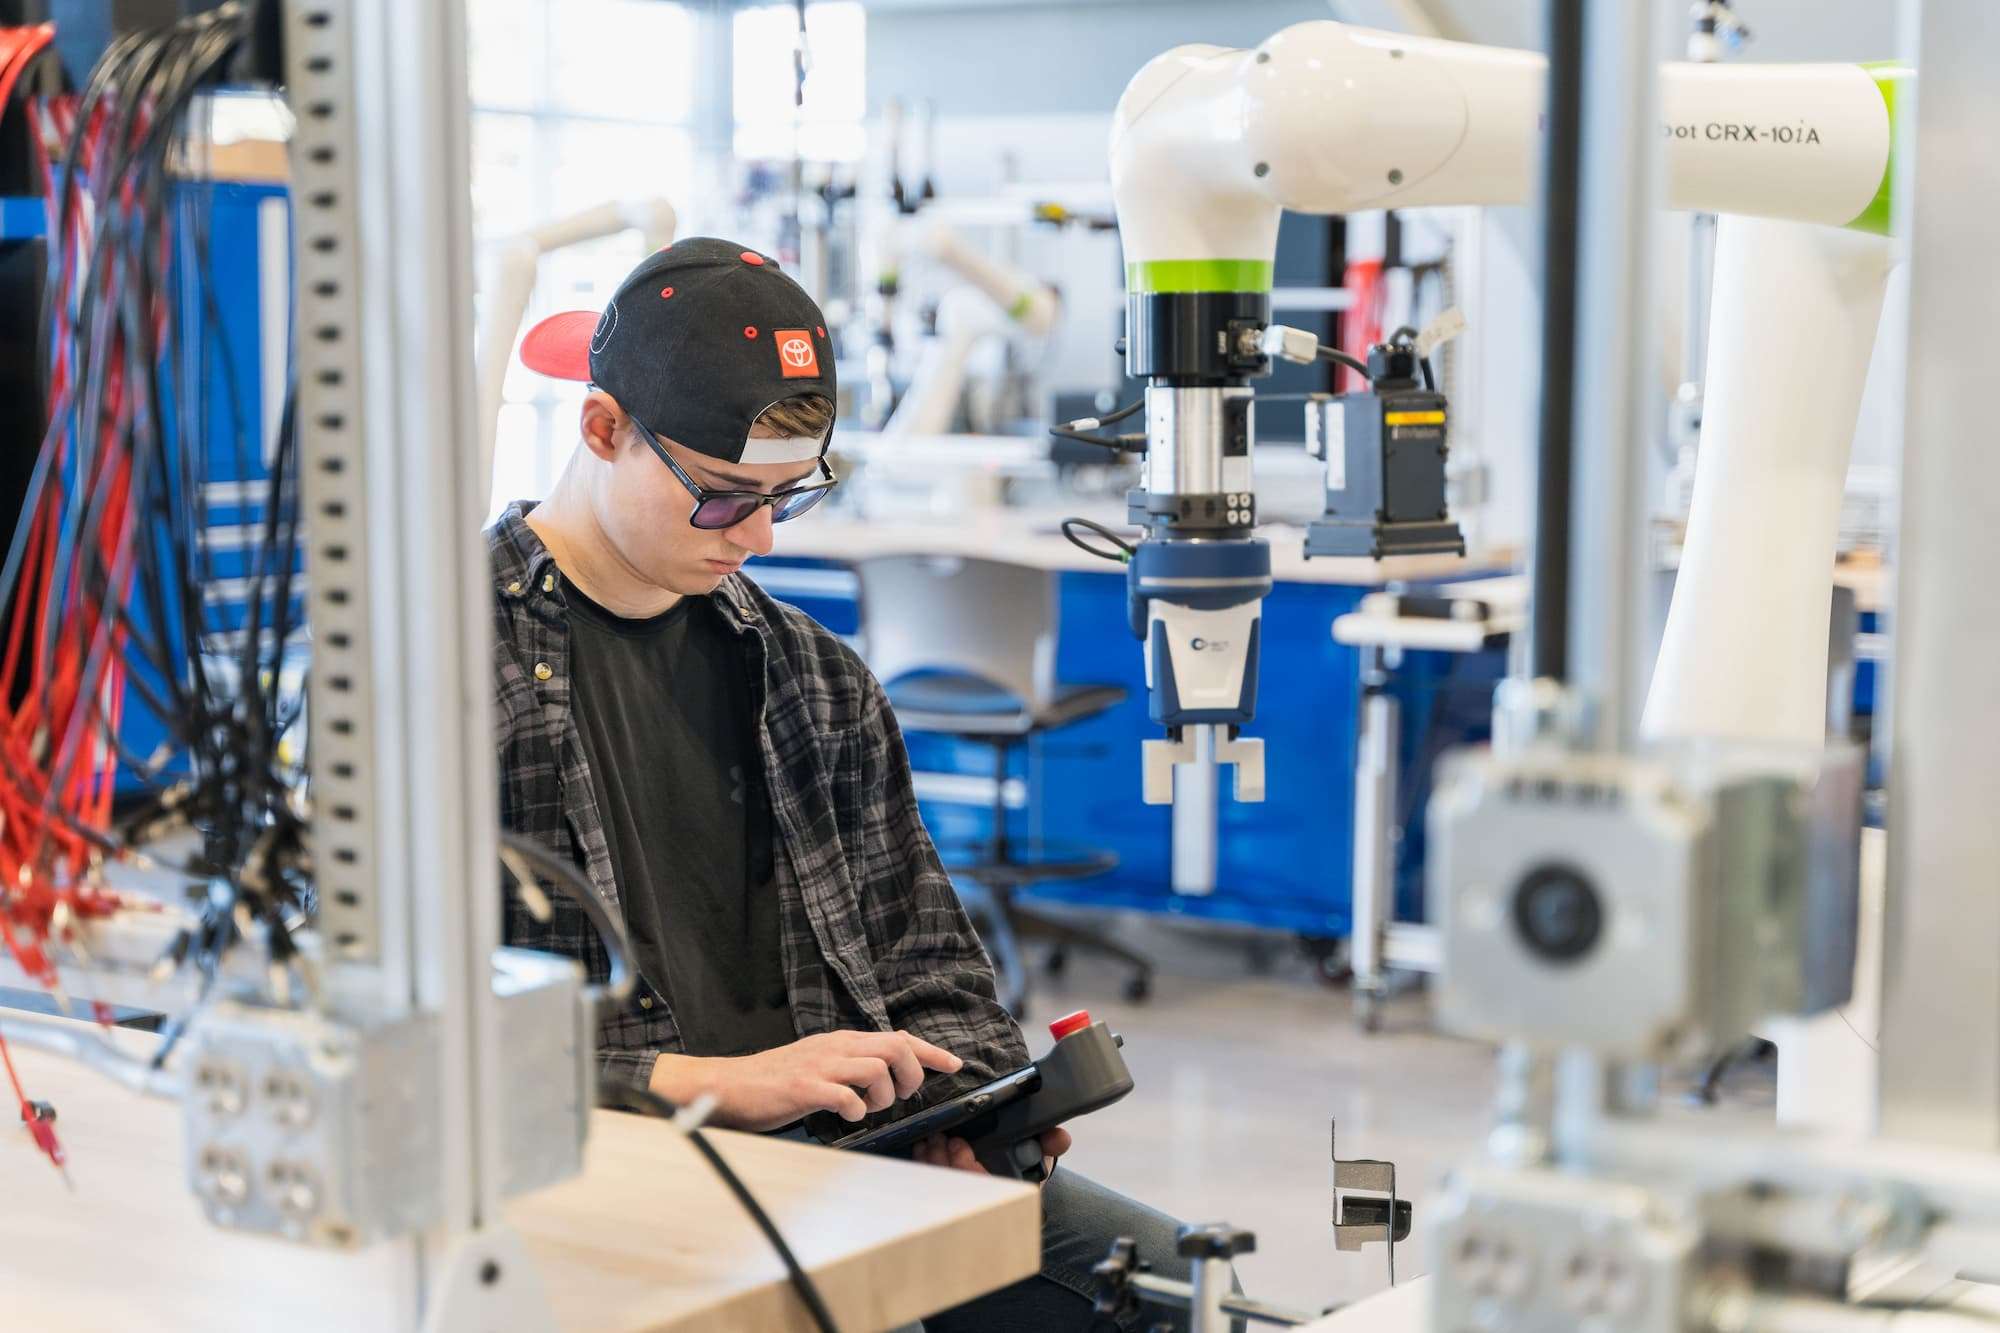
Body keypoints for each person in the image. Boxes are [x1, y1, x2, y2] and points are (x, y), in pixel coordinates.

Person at [489, 237, 1205, 1330]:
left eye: (793, 496)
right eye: (727, 498)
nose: (764, 536)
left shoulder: (811, 678)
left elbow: (926, 956)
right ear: (602, 429)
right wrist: (709, 1085)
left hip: (844, 1159)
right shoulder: (433, 678)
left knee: (1170, 1291)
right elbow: (400, 1039)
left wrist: (967, 1110)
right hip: (606, 1167)